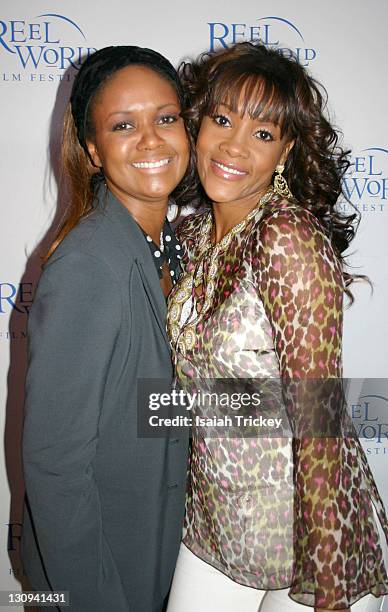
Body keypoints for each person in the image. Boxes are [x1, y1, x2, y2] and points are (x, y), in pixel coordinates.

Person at [166, 42, 388, 612]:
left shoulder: (287, 238)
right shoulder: (190, 240)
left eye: (263, 134)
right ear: (196, 127)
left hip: (309, 532)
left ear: (286, 151)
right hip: (218, 521)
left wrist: (331, 579)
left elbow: (317, 409)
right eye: (221, 119)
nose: (234, 145)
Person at [22, 45, 192, 612]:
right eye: (124, 125)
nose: (151, 140)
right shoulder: (90, 264)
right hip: (98, 575)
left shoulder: (170, 247)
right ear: (93, 150)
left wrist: (304, 408)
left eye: (166, 118)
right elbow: (54, 464)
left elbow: (156, 407)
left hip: (159, 551)